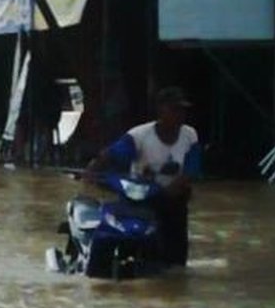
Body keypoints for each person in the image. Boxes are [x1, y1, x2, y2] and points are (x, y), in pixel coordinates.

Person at [84, 86, 203, 267]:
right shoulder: (139, 136)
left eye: (182, 110)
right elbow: (111, 155)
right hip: (141, 198)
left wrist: (174, 187)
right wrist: (93, 170)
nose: (180, 115)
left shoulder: (190, 135)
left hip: (173, 200)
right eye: (175, 109)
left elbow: (192, 170)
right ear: (161, 110)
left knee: (177, 260)